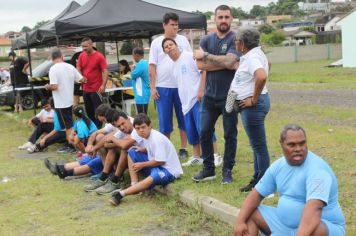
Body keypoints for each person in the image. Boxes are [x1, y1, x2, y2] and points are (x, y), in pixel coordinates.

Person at [234, 124, 345, 236]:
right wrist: (239, 222)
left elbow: (315, 208)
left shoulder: (318, 170)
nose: (298, 149)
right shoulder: (278, 166)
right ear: (282, 145)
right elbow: (256, 194)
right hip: (285, 226)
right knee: (249, 213)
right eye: (292, 145)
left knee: (315, 229)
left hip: (323, 228)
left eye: (302, 143)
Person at [192, 5, 239, 183]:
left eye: (227, 17)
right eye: (220, 17)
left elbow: (231, 61)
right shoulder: (206, 39)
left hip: (230, 95)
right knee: (203, 131)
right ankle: (208, 169)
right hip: (209, 96)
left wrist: (207, 56)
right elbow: (200, 65)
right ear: (215, 18)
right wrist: (226, 62)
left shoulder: (236, 38)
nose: (224, 20)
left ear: (231, 19)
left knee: (229, 134)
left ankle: (227, 171)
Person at [162, 38, 222, 167]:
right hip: (185, 103)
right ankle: (196, 156)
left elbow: (204, 71)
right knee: (191, 131)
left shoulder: (189, 57)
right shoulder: (172, 66)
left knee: (205, 128)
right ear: (164, 51)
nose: (169, 47)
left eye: (171, 44)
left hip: (197, 99)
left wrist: (201, 90)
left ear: (176, 45)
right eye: (166, 47)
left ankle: (216, 155)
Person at [229, 26, 271, 192]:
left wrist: (253, 98)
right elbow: (269, 65)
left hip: (253, 106)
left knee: (259, 147)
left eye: (237, 41)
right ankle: (257, 179)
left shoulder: (252, 57)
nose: (236, 43)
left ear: (243, 43)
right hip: (257, 102)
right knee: (256, 145)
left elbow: (261, 76)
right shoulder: (255, 54)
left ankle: (263, 186)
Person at [110, 113, 183, 206]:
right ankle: (134, 184)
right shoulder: (145, 136)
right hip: (158, 165)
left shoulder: (157, 138)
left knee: (154, 176)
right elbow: (152, 151)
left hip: (169, 171)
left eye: (143, 127)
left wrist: (142, 164)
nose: (141, 130)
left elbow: (160, 161)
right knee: (132, 151)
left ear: (150, 125)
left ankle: (121, 194)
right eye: (138, 128)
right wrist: (144, 149)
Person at [148, 12, 191, 158]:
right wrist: (153, 87)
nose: (175, 27)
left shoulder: (183, 40)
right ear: (164, 25)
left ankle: (184, 148)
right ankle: (166, 149)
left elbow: (190, 61)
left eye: (177, 25)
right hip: (163, 87)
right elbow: (152, 67)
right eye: (172, 25)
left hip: (181, 86)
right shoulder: (156, 42)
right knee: (165, 121)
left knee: (183, 118)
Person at [45, 48, 85, 143]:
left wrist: (47, 86)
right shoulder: (70, 66)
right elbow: (82, 79)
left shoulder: (53, 69)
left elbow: (54, 86)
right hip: (70, 101)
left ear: (52, 58)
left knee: (68, 127)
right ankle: (75, 144)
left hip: (61, 103)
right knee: (69, 125)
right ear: (62, 56)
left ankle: (72, 145)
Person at [77, 37, 109, 128]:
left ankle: (97, 130)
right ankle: (93, 129)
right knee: (89, 112)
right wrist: (81, 76)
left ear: (91, 45)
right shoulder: (81, 55)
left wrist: (103, 85)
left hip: (96, 89)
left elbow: (105, 71)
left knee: (98, 112)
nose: (84, 48)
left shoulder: (99, 56)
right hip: (85, 89)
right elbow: (78, 68)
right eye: (82, 46)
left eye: (86, 46)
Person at [131, 47, 150, 114]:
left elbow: (133, 75)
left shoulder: (141, 64)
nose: (133, 58)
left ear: (137, 55)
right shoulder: (145, 63)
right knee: (143, 114)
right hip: (144, 93)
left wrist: (132, 69)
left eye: (133, 56)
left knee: (142, 115)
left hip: (141, 94)